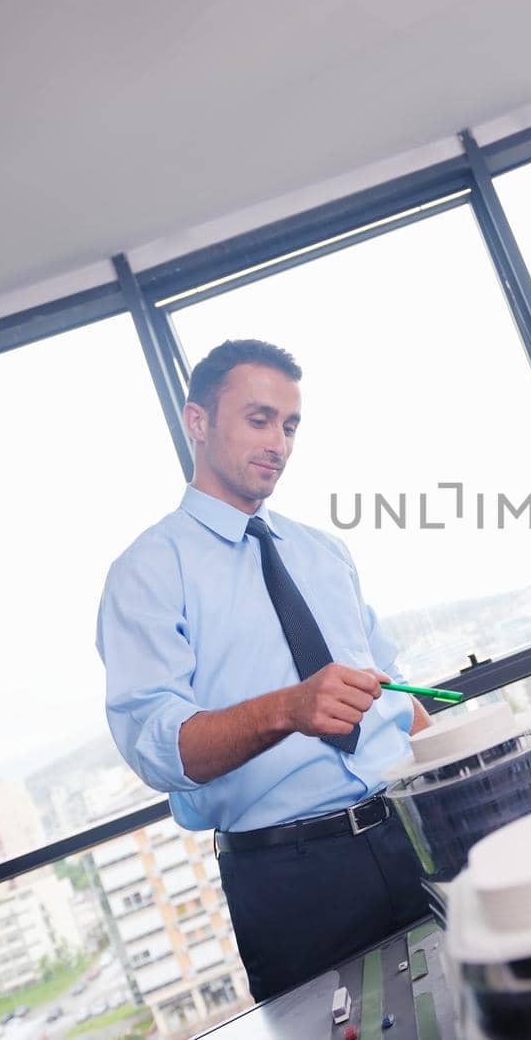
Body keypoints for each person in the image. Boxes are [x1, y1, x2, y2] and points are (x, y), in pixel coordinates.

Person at [97, 339, 430, 1003]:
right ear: (198, 421)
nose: (278, 440)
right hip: (291, 881)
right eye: (258, 418)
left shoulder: (323, 552)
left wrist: (460, 769)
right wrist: (287, 708)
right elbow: (161, 750)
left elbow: (394, 690)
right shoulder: (148, 572)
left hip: (407, 834)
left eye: (290, 423)